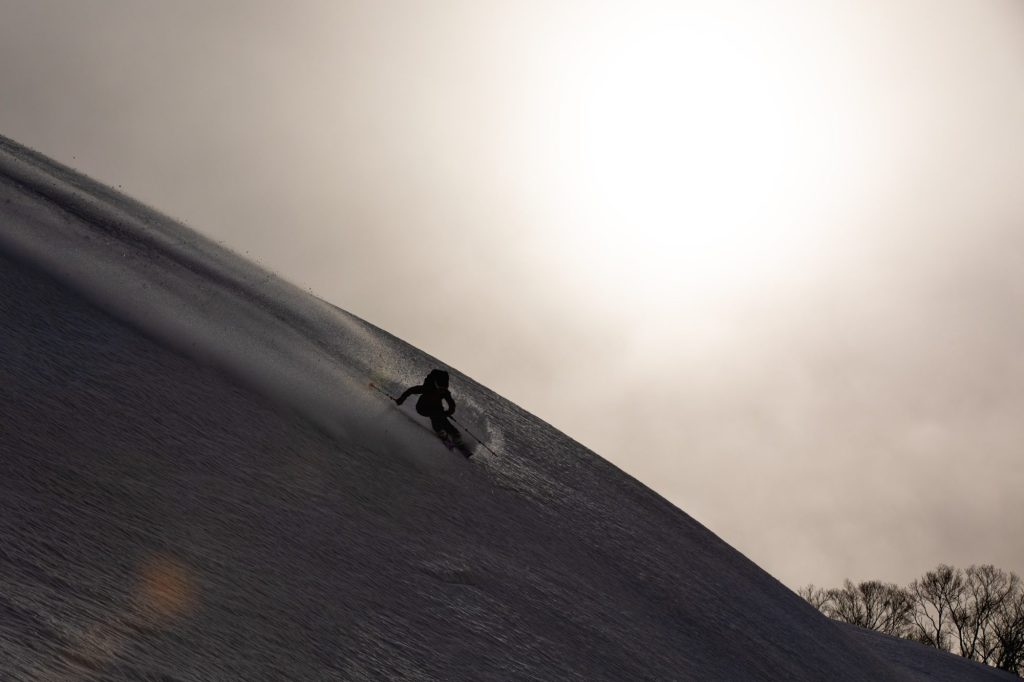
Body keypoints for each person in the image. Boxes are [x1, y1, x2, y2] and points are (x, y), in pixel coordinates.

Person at [395, 369, 462, 446]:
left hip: (436, 408)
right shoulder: (427, 388)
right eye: (440, 388)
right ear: (436, 384)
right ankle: (440, 431)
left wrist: (448, 412)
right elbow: (411, 390)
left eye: (443, 388)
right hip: (422, 408)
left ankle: (454, 434)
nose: (441, 390)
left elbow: (452, 404)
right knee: (435, 415)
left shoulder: (444, 392)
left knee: (440, 416)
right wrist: (401, 399)